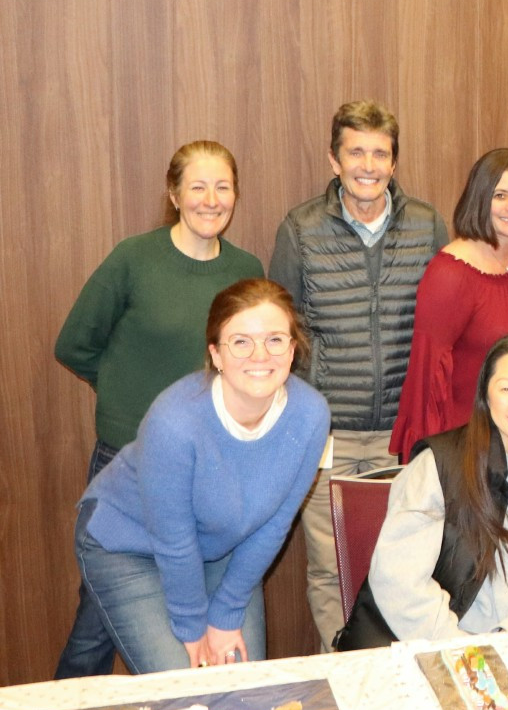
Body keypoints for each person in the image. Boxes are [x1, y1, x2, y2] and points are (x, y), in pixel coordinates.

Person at [53, 140, 263, 679]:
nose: (211, 200)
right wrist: (123, 392)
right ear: (174, 194)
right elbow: (75, 344)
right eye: (198, 186)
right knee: (98, 618)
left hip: (209, 472)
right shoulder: (133, 259)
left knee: (197, 598)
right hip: (130, 464)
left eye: (223, 187)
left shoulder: (246, 269)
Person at [57, 279, 329, 675]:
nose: (260, 355)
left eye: (274, 340)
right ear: (216, 354)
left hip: (218, 546)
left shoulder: (312, 416)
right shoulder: (175, 420)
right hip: (126, 542)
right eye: (240, 342)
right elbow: (173, 538)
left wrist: (225, 615)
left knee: (240, 681)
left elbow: (274, 524)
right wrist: (191, 627)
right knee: (189, 686)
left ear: (292, 350)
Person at [270, 100, 448, 651]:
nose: (368, 165)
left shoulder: (425, 224)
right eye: (356, 152)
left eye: (380, 153)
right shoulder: (300, 229)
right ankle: (342, 667)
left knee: (408, 563)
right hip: (330, 435)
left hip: (405, 434)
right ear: (334, 158)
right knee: (330, 565)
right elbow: (283, 327)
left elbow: (446, 318)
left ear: (394, 162)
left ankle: (401, 669)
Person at [336, 334, 508, 648]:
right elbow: (399, 579)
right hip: (431, 642)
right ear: (485, 397)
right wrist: (461, 649)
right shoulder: (438, 465)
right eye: (506, 388)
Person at [391, 149, 508, 458]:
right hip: (465, 448)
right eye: (500, 195)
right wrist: (427, 461)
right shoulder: (450, 273)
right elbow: (427, 378)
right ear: (479, 198)